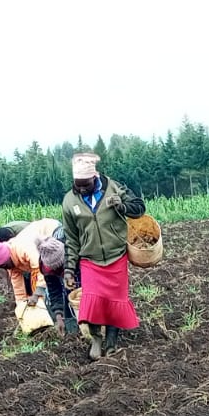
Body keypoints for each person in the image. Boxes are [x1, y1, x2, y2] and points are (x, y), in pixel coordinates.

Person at [61, 152, 145, 361]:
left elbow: (139, 208)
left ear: (95, 177)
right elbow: (71, 238)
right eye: (78, 185)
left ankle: (112, 343)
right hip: (90, 259)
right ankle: (97, 339)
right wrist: (69, 269)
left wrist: (122, 206)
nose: (81, 189)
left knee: (115, 301)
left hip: (116, 255)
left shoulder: (114, 188)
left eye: (85, 184)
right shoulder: (69, 201)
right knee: (93, 300)